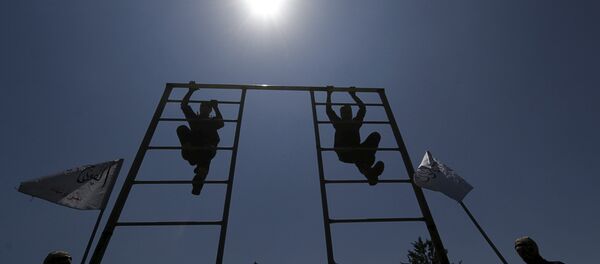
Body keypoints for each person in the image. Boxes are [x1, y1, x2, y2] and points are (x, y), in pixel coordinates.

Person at [326, 88, 384, 185]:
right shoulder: (338, 122)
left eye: (348, 112)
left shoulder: (355, 122)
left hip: (357, 150)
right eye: (345, 112)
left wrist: (353, 95)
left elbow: (362, 108)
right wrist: (329, 94)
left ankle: (369, 169)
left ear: (351, 113)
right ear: (342, 114)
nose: (347, 114)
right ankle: (368, 172)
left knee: (375, 136)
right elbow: (329, 111)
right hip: (344, 152)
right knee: (360, 156)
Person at [177, 87, 224, 195]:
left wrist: (216, 107)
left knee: (208, 151)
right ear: (200, 108)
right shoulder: (194, 119)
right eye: (202, 105)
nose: (204, 107)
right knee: (182, 128)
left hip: (206, 150)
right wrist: (191, 91)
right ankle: (190, 150)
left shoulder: (212, 122)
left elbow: (221, 123)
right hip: (192, 149)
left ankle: (199, 180)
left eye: (207, 106)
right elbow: (184, 105)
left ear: (209, 110)